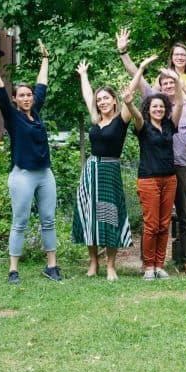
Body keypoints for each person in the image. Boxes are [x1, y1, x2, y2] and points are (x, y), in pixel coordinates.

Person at [0, 38, 61, 284]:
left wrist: (45, 59)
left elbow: (42, 84)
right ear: (14, 99)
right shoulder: (12, 116)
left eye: (29, 95)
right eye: (21, 95)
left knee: (48, 220)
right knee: (20, 221)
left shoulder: (35, 113)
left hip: (45, 174)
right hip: (23, 175)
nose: (26, 98)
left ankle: (52, 266)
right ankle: (13, 270)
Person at [118, 28, 186, 274]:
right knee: (152, 221)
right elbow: (134, 76)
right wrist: (124, 52)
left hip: (179, 168)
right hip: (153, 172)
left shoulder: (180, 111)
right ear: (159, 87)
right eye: (165, 83)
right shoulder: (152, 103)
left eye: (172, 83)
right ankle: (148, 264)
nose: (168, 86)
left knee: (182, 217)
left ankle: (185, 261)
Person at [72, 58, 137, 281]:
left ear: (114, 100)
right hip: (91, 171)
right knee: (90, 215)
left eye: (106, 98)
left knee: (109, 216)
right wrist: (83, 75)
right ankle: (93, 262)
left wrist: (139, 70)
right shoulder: (95, 119)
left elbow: (130, 95)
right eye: (99, 100)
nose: (102, 102)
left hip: (110, 172)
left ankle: (111, 265)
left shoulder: (122, 119)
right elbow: (87, 96)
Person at [124, 62, 184, 280]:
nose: (158, 109)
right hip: (148, 180)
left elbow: (180, 103)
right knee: (151, 225)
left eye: (161, 106)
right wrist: (129, 103)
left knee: (164, 224)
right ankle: (148, 266)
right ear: (148, 109)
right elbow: (135, 115)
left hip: (169, 179)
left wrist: (176, 80)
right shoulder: (143, 126)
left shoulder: (169, 125)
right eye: (154, 107)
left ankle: (159, 265)